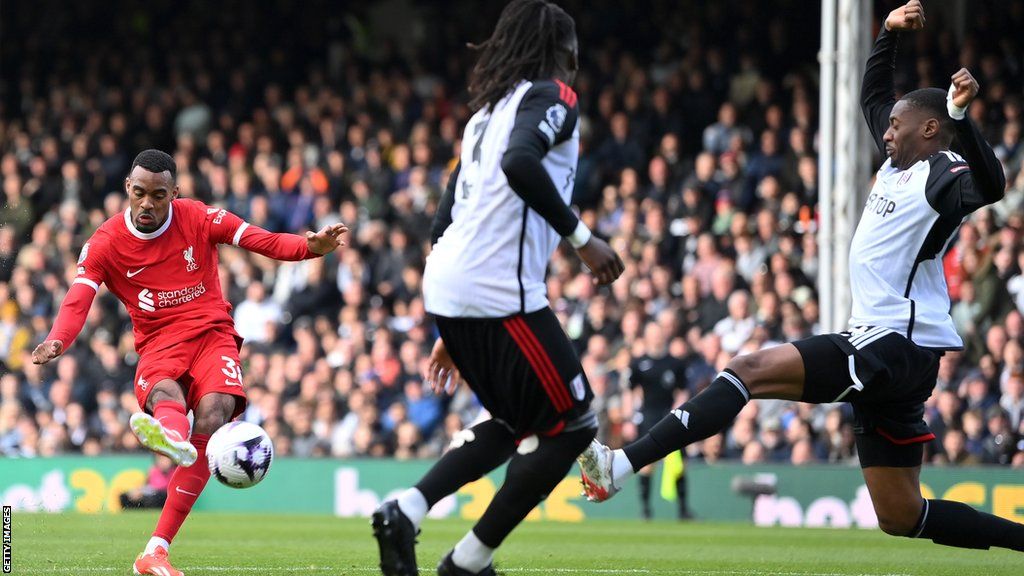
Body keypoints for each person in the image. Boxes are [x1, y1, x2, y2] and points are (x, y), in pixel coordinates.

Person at [579, 0, 1024, 554]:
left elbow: (994, 185)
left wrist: (964, 120)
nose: (885, 131)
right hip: (896, 351)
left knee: (748, 370)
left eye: (897, 125)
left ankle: (621, 464)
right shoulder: (898, 164)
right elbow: (872, 97)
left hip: (893, 343)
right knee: (902, 514)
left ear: (931, 128)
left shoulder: (941, 172)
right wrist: (886, 34)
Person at [371, 2, 624, 575]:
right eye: (572, 45)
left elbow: (446, 211)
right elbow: (519, 163)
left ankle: (406, 511)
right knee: (573, 426)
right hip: (494, 289)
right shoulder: (552, 97)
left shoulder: (486, 112)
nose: (578, 59)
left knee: (516, 423)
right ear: (557, 48)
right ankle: (467, 561)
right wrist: (584, 238)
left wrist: (452, 321)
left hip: (456, 283)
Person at [32, 149, 347, 576]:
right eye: (139, 193)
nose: (147, 203)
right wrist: (57, 339)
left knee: (214, 412)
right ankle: (173, 440)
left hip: (212, 335)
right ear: (127, 188)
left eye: (158, 196)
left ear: (174, 194)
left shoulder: (198, 217)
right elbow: (77, 299)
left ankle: (155, 550)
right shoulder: (105, 242)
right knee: (167, 394)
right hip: (158, 343)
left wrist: (309, 248)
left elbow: (262, 239)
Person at [625, 323, 690, 520]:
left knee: (678, 463)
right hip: (649, 415)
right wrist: (630, 417)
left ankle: (683, 510)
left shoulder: (675, 363)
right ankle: (645, 510)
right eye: (652, 334)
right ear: (646, 337)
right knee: (647, 463)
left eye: (659, 334)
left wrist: (678, 409)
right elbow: (630, 390)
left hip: (669, 415)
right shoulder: (638, 363)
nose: (656, 338)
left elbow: (683, 390)